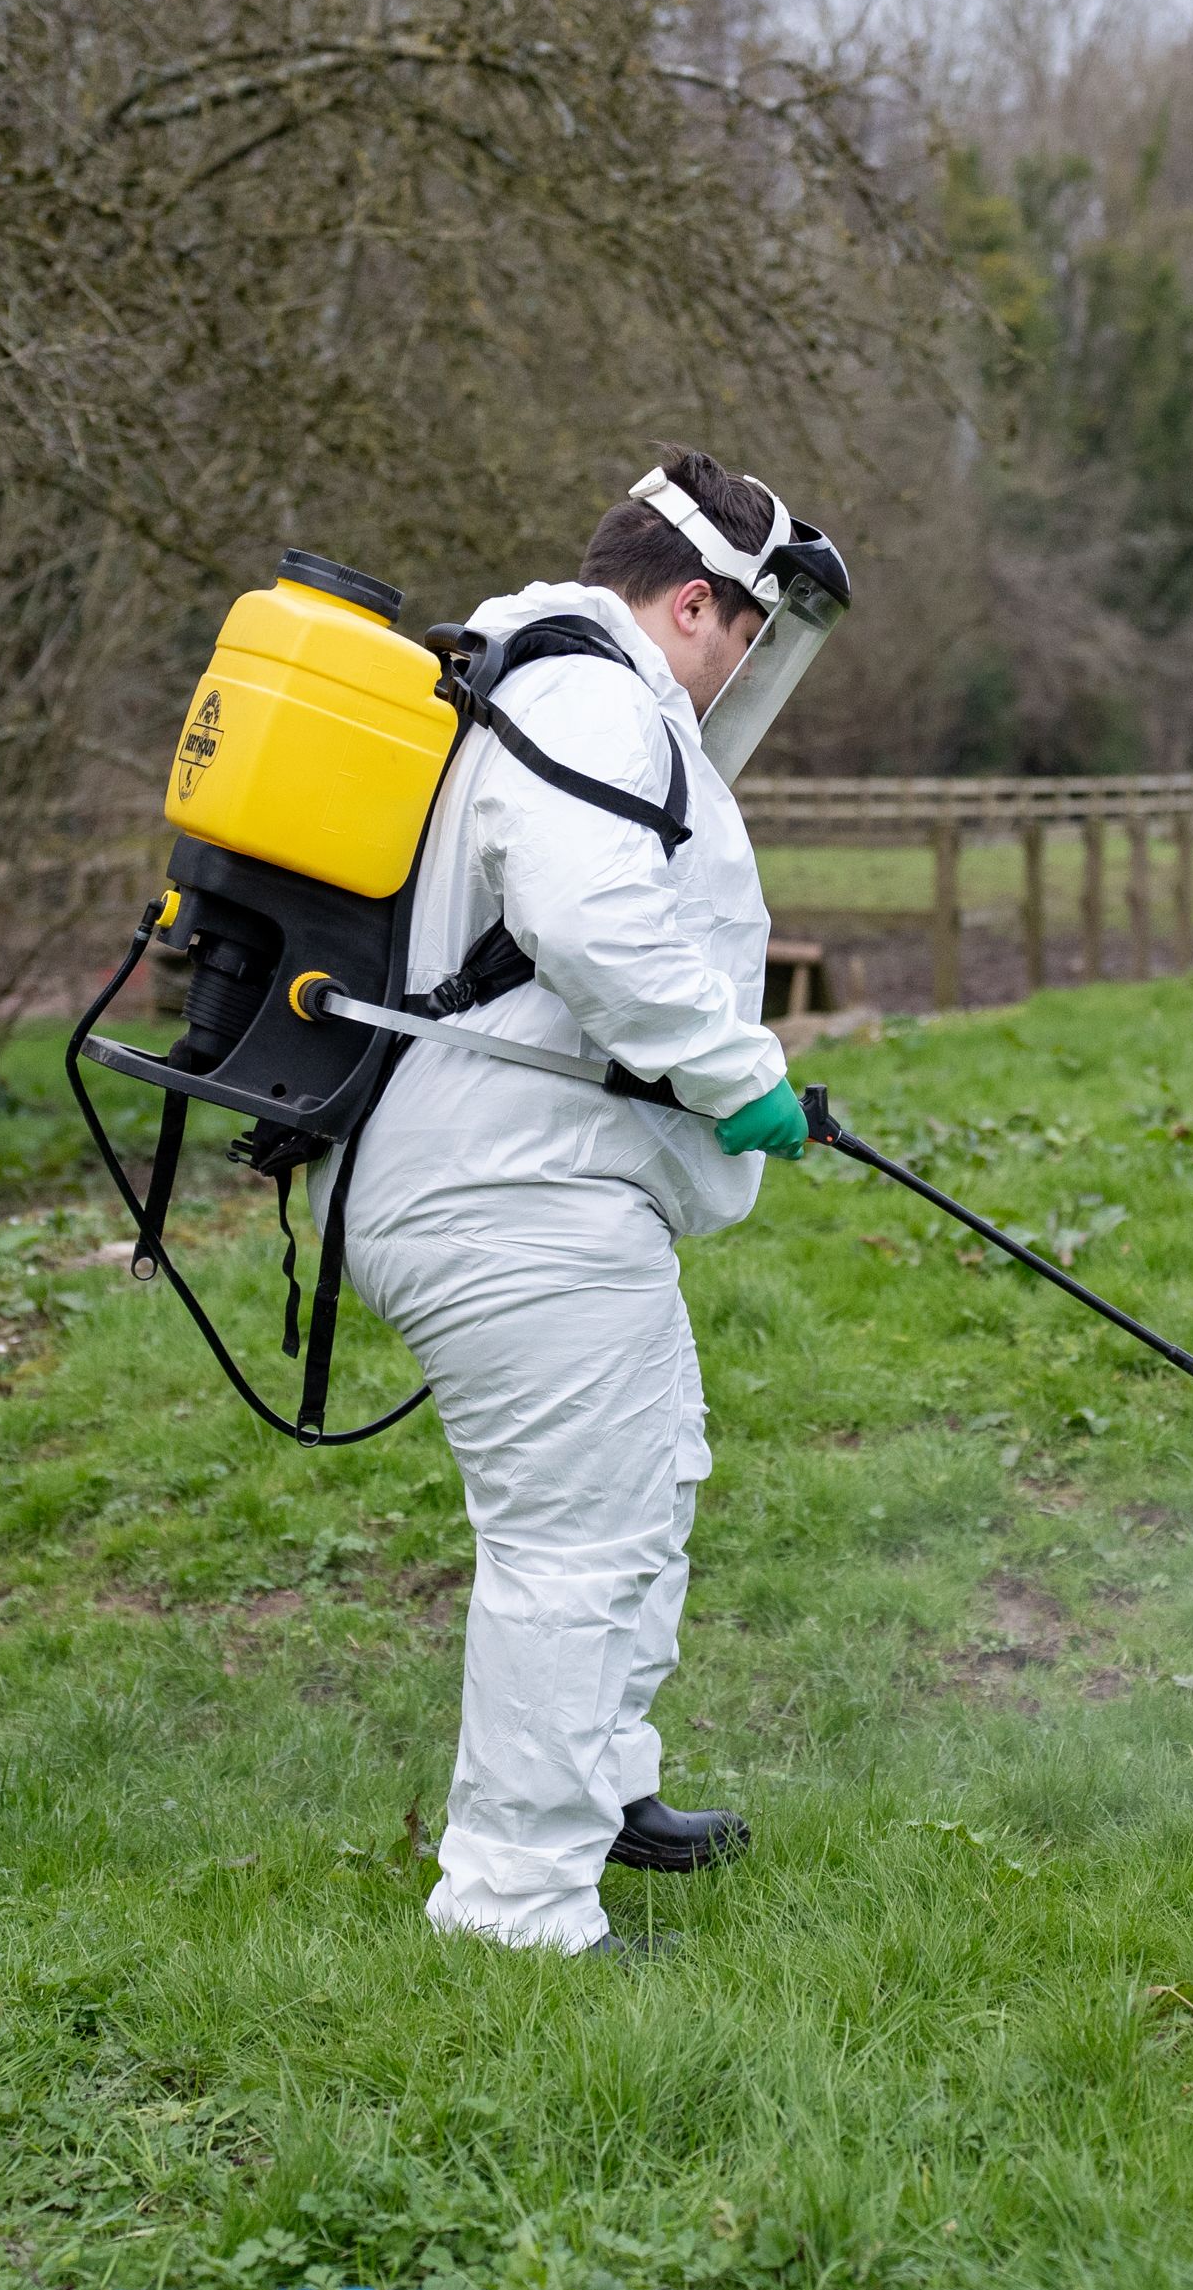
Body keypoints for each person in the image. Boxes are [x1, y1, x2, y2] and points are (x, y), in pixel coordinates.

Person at [340, 451, 844, 1954]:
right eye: (748, 633)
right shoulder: (590, 693)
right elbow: (588, 911)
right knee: (574, 1541)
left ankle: (601, 1788)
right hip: (511, 1198)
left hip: (553, 1192)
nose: (745, 668)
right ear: (695, 602)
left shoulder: (570, 684)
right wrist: (731, 1069)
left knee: (645, 1489)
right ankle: (515, 1903)